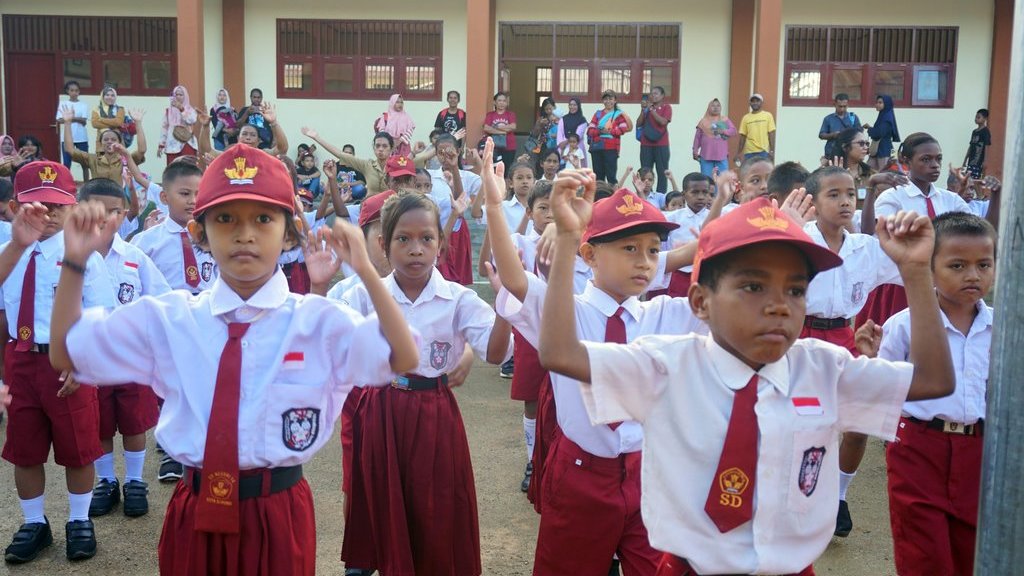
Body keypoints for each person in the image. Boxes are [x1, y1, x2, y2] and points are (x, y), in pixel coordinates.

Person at [537, 176, 956, 575]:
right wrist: (572, 237)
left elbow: (934, 382)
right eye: (753, 287)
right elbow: (560, 353)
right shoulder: (669, 364)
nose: (779, 305)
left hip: (788, 569)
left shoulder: (825, 369)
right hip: (691, 568)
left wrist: (917, 273)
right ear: (700, 302)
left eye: (794, 290)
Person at [47, 144, 417, 575]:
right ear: (197, 233)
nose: (245, 234)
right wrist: (74, 261)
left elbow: (404, 357)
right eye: (225, 219)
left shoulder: (317, 323)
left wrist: (368, 272)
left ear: (291, 232)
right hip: (195, 508)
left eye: (263, 218)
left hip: (277, 512)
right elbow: (66, 351)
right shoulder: (171, 319)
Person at [488, 159, 704, 575]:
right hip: (581, 472)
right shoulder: (565, 311)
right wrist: (496, 206)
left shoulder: (665, 314)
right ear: (589, 254)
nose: (645, 261)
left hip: (647, 469)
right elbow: (515, 280)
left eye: (653, 250)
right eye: (629, 248)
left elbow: (722, 305)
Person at [337, 190, 512, 576]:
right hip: (381, 408)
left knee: (435, 504)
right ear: (384, 244)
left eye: (426, 239)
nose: (415, 249)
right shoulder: (364, 293)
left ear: (440, 243)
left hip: (435, 412)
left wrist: (505, 308)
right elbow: (335, 342)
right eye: (403, 239)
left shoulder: (457, 298)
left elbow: (497, 354)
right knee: (383, 498)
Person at [0, 162, 117, 564]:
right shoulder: (9, 254)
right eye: (37, 205)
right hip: (21, 360)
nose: (48, 215)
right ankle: (34, 522)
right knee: (23, 448)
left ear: (73, 209)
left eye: (57, 206)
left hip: (67, 361)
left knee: (78, 447)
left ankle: (79, 520)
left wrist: (82, 362)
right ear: (15, 207)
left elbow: (103, 313)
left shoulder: (82, 255)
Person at [877, 211, 994, 576]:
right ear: (929, 268)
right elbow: (884, 384)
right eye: (957, 265)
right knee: (923, 554)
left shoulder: (1002, 329)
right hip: (918, 449)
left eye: (983, 265)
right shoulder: (902, 325)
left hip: (980, 450)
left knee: (970, 552)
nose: (972, 275)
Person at [73, 178, 172, 520]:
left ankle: (133, 482)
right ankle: (106, 481)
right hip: (91, 358)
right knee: (98, 425)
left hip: (131, 357)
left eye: (114, 211)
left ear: (125, 213)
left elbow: (159, 298)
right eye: (96, 209)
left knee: (133, 423)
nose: (105, 217)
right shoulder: (71, 257)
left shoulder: (134, 256)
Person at [62, 105, 148, 182]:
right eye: (106, 139)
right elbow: (69, 149)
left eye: (113, 139)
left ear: (120, 143)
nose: (109, 141)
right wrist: (67, 123)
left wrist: (138, 123)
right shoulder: (93, 159)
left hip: (120, 199)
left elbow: (142, 150)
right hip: (99, 199)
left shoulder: (127, 160)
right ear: (100, 143)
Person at [302, 128, 393, 197]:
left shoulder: (397, 166)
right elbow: (339, 154)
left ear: (391, 148)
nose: (381, 149)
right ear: (374, 148)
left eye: (385, 146)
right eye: (378, 146)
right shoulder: (367, 165)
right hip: (371, 209)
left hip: (392, 210)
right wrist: (317, 138)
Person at [587, 90, 633, 184]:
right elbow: (590, 130)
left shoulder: (619, 115)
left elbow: (622, 129)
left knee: (611, 176)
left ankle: (612, 198)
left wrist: (608, 131)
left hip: (611, 149)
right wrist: (599, 131)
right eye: (606, 99)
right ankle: (600, 197)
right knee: (598, 177)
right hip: (597, 148)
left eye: (610, 99)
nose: (608, 101)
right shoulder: (598, 114)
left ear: (615, 100)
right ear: (603, 101)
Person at [638, 86, 672, 193]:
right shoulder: (647, 108)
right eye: (652, 94)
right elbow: (639, 123)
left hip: (661, 145)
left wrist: (652, 110)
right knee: (645, 172)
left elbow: (662, 122)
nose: (653, 96)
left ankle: (661, 197)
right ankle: (646, 196)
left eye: (656, 93)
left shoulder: (667, 107)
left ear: (662, 96)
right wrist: (644, 110)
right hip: (646, 144)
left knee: (662, 172)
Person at [55, 81, 90, 179]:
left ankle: (86, 184)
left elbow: (83, 121)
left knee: (85, 163)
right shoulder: (63, 103)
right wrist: (75, 118)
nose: (74, 93)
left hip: (81, 137)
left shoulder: (83, 105)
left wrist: (70, 118)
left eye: (76, 90)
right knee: (66, 163)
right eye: (72, 90)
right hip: (66, 138)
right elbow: (59, 119)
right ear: (67, 91)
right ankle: (66, 184)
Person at [693, 98, 736, 177]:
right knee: (707, 180)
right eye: (713, 106)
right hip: (706, 156)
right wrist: (695, 150)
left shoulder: (725, 120)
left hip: (721, 156)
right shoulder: (703, 121)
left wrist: (723, 131)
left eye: (718, 106)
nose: (716, 108)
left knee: (723, 180)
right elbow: (697, 138)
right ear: (709, 107)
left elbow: (733, 131)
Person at [159, 85, 198, 164]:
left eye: (181, 95)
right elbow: (164, 128)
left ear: (185, 96)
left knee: (188, 168)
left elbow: (192, 120)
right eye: (176, 94)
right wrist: (161, 145)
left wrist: (182, 109)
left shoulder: (190, 110)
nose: (178, 97)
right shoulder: (168, 111)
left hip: (187, 143)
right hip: (172, 145)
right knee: (173, 170)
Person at [735, 93, 775, 163]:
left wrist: (772, 151)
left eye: (757, 101)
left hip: (763, 152)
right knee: (749, 172)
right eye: (753, 101)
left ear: (761, 103)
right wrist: (738, 153)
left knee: (762, 173)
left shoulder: (768, 116)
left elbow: (771, 134)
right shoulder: (745, 118)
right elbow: (743, 137)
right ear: (750, 103)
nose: (755, 103)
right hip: (749, 152)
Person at [864, 95, 901, 172]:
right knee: (869, 171)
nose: (877, 104)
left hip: (884, 150)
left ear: (886, 104)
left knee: (884, 173)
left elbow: (879, 133)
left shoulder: (887, 118)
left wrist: (869, 128)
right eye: (877, 102)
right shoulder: (883, 115)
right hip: (878, 149)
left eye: (880, 103)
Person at [819, 94, 860, 160]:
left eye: (844, 106)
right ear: (834, 105)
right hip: (831, 151)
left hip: (849, 152)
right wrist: (833, 135)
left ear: (848, 105)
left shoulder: (853, 117)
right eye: (840, 106)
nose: (842, 109)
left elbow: (859, 133)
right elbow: (821, 135)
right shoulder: (828, 119)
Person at [483, 92, 518, 169]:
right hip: (494, 147)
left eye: (504, 101)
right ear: (494, 102)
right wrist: (503, 131)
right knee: (493, 169)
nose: (502, 103)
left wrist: (495, 127)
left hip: (509, 146)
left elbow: (513, 126)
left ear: (506, 103)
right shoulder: (490, 115)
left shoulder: (510, 114)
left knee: (507, 169)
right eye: (499, 100)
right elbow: (486, 128)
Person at [374, 94, 415, 158]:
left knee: (403, 164)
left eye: (401, 102)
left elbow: (410, 131)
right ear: (392, 103)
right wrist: (390, 142)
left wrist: (399, 141)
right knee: (388, 164)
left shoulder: (406, 117)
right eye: (397, 102)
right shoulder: (385, 116)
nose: (400, 104)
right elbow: (381, 131)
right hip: (388, 145)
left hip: (402, 146)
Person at [557, 98, 588, 168]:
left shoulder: (582, 120)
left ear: (578, 106)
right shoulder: (563, 119)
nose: (572, 107)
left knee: (576, 169)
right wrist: (560, 144)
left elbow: (578, 136)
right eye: (570, 105)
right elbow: (559, 133)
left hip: (577, 147)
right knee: (563, 170)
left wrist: (566, 142)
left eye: (574, 105)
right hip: (563, 148)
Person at [962, 109, 990, 179]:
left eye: (978, 117)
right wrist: (965, 159)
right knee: (968, 179)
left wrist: (985, 161)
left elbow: (987, 146)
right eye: (976, 117)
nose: (976, 119)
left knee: (974, 181)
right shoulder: (974, 132)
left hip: (978, 161)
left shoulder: (985, 131)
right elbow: (971, 146)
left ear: (985, 119)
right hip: (971, 160)